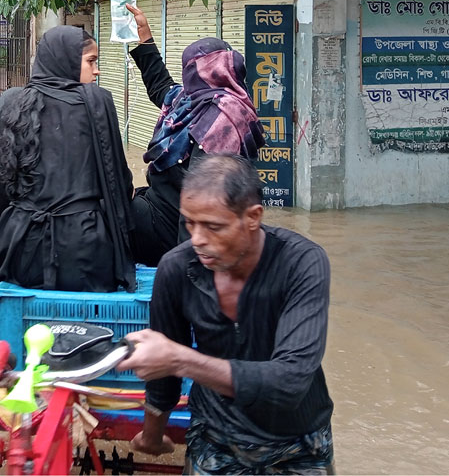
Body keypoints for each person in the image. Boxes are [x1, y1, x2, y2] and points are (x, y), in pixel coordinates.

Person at [118, 155, 334, 474]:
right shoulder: (177, 268)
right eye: (190, 223)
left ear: (253, 218)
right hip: (215, 439)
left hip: (298, 442)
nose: (198, 239)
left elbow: (289, 383)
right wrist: (152, 436)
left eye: (213, 227)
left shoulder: (302, 263)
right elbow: (163, 378)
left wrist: (181, 359)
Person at [0, 26, 138, 292]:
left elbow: (3, 182)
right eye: (91, 61)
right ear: (67, 59)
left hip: (21, 242)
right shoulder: (98, 101)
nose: (96, 70)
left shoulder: (12, 101)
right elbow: (117, 179)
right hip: (84, 244)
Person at [124, 3, 265, 266]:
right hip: (160, 207)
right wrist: (145, 37)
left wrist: (183, 266)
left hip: (177, 230)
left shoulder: (222, 121)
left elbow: (203, 199)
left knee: (106, 216)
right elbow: (161, 87)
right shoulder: (192, 102)